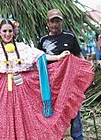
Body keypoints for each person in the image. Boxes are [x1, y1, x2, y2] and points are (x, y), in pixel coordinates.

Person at [0, 16, 94, 139]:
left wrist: (58, 56)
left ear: (14, 32)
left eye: (10, 31)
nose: (7, 34)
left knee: (28, 121)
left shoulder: (22, 47)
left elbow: (39, 57)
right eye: (4, 31)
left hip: (22, 91)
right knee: (5, 122)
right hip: (2, 93)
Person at [37, 9, 86, 140]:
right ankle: (57, 137)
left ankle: (78, 136)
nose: (55, 25)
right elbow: (39, 60)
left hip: (69, 81)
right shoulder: (43, 40)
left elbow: (78, 55)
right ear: (47, 23)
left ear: (61, 22)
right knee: (55, 111)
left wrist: (85, 69)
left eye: (57, 21)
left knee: (73, 107)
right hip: (52, 83)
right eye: (52, 21)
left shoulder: (70, 37)